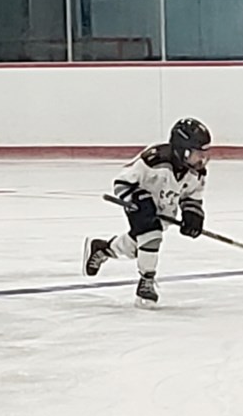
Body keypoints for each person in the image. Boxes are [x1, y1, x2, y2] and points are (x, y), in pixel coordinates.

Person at [82, 118, 210, 308]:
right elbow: (122, 182)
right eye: (198, 154)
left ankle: (102, 248)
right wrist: (137, 200)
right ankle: (146, 281)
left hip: (164, 211)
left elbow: (192, 196)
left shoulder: (196, 173)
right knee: (151, 235)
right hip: (139, 203)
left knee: (138, 245)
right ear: (182, 149)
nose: (202, 159)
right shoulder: (154, 159)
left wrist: (193, 216)